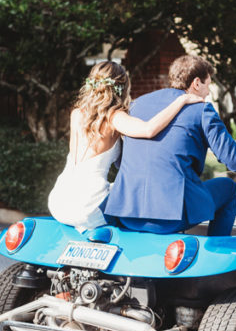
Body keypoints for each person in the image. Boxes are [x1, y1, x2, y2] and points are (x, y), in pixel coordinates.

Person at [104, 54, 236, 236]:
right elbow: (235, 162)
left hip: (125, 212)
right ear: (196, 83)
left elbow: (122, 162)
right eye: (208, 85)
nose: (208, 93)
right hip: (168, 218)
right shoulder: (202, 109)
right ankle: (216, 251)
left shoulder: (137, 105)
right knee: (229, 188)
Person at [48, 61, 202, 231]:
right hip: (88, 207)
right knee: (130, 203)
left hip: (59, 201)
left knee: (116, 188)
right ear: (122, 87)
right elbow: (149, 129)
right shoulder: (114, 117)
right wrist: (182, 100)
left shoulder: (77, 113)